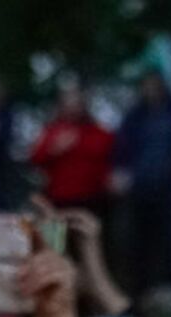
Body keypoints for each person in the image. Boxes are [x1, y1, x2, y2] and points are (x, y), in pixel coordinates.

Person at [111, 68, 171, 291]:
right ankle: (140, 289)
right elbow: (122, 149)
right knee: (139, 242)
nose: (151, 89)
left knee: (170, 239)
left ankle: (170, 287)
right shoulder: (134, 117)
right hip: (141, 188)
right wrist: (121, 172)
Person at [29, 78, 115, 215]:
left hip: (93, 201)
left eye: (77, 101)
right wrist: (54, 149)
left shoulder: (100, 134)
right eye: (69, 100)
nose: (73, 105)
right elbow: (35, 159)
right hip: (59, 202)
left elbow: (111, 164)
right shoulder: (52, 132)